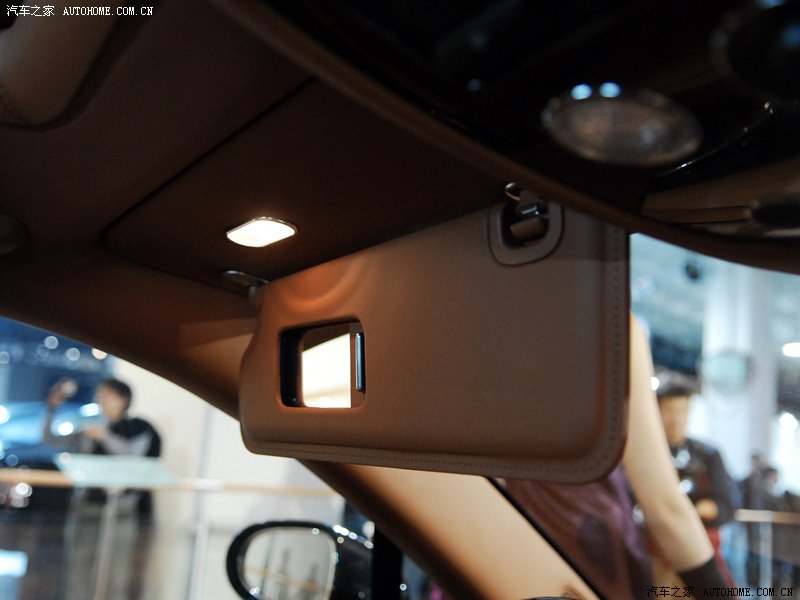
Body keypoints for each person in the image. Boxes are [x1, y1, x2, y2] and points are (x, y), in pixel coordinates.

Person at [505, 317, 728, 598]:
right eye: (671, 410)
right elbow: (664, 508)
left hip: (508, 548)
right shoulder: (611, 325)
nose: (676, 419)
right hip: (592, 557)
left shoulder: (482, 319)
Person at [656, 381, 735, 581]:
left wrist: (702, 509)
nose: (676, 419)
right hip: (656, 551)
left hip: (699, 550)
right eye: (669, 411)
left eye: (682, 411)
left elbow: (726, 506)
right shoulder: (649, 455)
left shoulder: (707, 455)